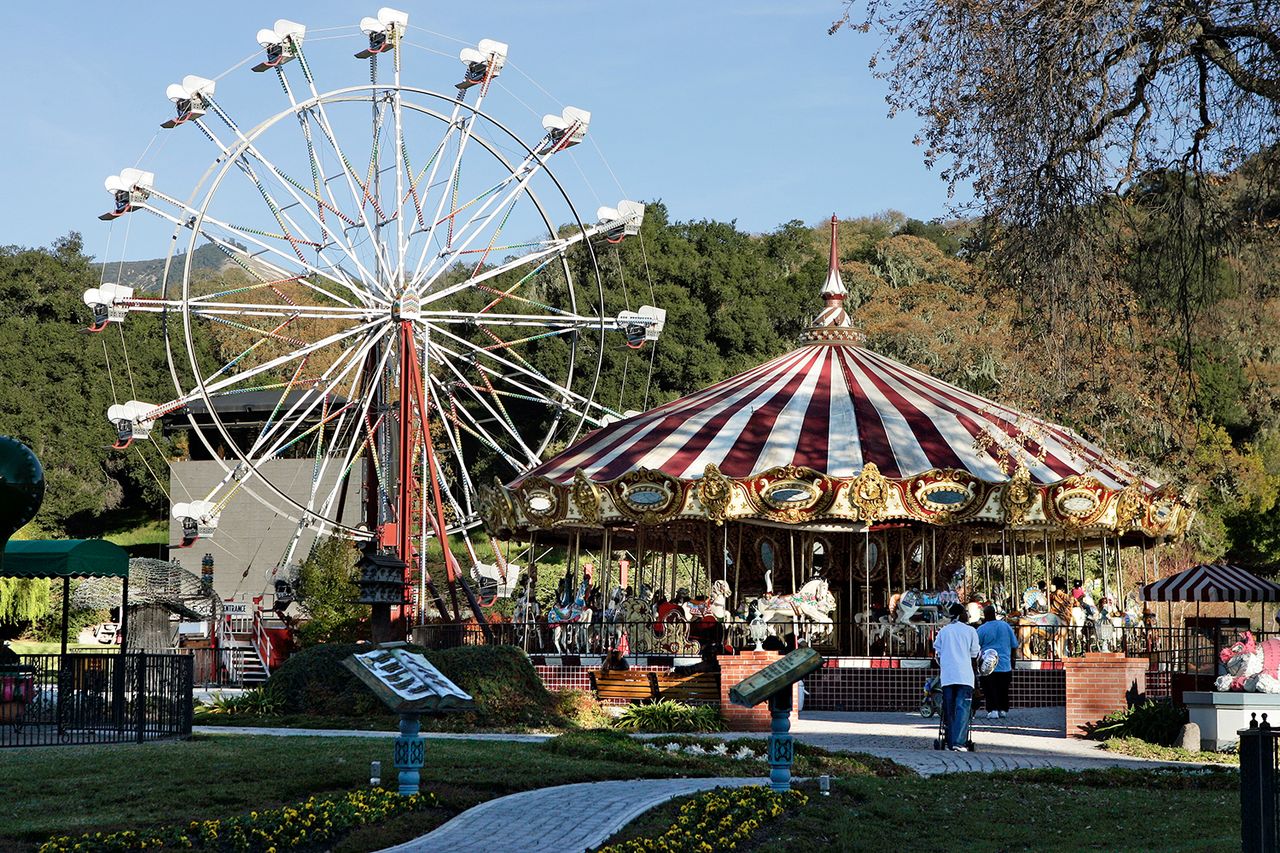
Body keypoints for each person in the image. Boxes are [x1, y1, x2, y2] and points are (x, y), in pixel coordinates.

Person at [933, 602, 980, 751]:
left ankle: (949, 740)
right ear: (960, 615)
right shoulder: (971, 631)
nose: (968, 615)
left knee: (949, 709)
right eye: (965, 613)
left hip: (947, 677)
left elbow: (937, 653)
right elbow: (975, 654)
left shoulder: (943, 631)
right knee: (962, 708)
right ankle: (958, 742)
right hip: (965, 677)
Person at [977, 604, 1017, 719]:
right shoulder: (1006, 626)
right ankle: (1003, 709)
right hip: (1005, 664)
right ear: (994, 613)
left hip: (987, 665)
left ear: (985, 615)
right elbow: (1014, 645)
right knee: (1003, 688)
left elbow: (976, 647)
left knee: (989, 688)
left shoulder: (982, 629)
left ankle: (992, 710)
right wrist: (1013, 662)